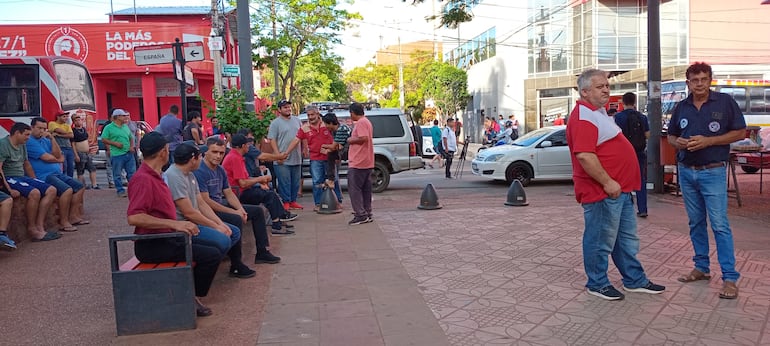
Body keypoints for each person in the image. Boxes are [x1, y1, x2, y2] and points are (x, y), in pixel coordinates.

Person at [566, 68, 664, 301]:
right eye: (600, 87)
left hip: (619, 190)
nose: (606, 90)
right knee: (600, 239)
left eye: (607, 86)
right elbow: (585, 155)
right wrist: (608, 182)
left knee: (625, 240)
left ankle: (634, 280)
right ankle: (597, 283)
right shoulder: (584, 116)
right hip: (602, 191)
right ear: (585, 91)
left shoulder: (598, 113)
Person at [667, 62, 746, 300]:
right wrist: (677, 142)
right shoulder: (682, 107)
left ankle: (730, 278)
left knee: (720, 225)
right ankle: (701, 267)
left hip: (713, 171)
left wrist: (709, 141)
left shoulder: (724, 102)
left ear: (710, 80)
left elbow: (740, 132)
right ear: (688, 81)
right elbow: (671, 135)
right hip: (687, 171)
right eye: (695, 80)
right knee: (695, 223)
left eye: (704, 79)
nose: (699, 83)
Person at [127, 131, 222, 317]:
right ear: (163, 151)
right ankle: (188, 297)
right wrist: (175, 224)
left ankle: (188, 295)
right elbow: (134, 217)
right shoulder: (143, 179)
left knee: (213, 248)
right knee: (210, 255)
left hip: (168, 238)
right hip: (153, 244)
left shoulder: (156, 175)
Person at [164, 142, 256, 279]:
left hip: (194, 221)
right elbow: (189, 212)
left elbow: (201, 203)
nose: (201, 160)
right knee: (223, 240)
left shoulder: (190, 175)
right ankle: (195, 280)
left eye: (221, 153)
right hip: (184, 226)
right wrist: (216, 226)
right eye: (200, 156)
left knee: (232, 232)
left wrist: (220, 224)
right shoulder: (174, 176)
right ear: (192, 159)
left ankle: (226, 263)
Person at [194, 137, 281, 264]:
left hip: (221, 204)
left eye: (221, 153)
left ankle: (262, 251)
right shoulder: (200, 171)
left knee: (257, 212)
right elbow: (206, 201)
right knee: (236, 218)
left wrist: (240, 209)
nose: (218, 156)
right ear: (205, 152)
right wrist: (234, 212)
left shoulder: (220, 170)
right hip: (207, 211)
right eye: (214, 152)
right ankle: (236, 264)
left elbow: (229, 193)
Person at [223, 134, 296, 234]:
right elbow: (243, 183)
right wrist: (260, 179)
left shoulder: (235, 156)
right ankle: (277, 225)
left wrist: (260, 181)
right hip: (237, 193)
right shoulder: (234, 158)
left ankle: (280, 218)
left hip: (240, 190)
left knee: (268, 192)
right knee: (269, 195)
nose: (249, 147)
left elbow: (244, 179)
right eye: (247, 145)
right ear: (243, 146)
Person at [0, 122, 60, 242]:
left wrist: (34, 180)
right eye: (26, 135)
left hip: (22, 177)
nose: (28, 137)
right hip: (10, 177)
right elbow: (0, 168)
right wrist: (8, 189)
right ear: (17, 133)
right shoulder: (3, 144)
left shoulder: (22, 144)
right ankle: (32, 228)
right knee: (34, 193)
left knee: (51, 190)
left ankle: (39, 225)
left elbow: (26, 164)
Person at [27, 117, 88, 232]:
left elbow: (57, 153)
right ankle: (63, 221)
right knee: (67, 190)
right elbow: (47, 158)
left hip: (56, 173)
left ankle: (73, 216)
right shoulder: (29, 141)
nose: (42, 131)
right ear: (32, 127)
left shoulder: (45, 139)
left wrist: (52, 139)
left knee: (79, 187)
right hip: (44, 176)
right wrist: (59, 159)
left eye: (44, 129)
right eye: (39, 128)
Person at [284, 106, 334, 211]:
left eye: (312, 114)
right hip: (315, 158)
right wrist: (286, 153)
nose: (310, 117)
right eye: (308, 115)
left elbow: (336, 136)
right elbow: (296, 140)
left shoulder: (327, 123)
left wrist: (335, 150)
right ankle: (318, 204)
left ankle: (336, 202)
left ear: (318, 114)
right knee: (317, 182)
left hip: (330, 157)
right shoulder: (304, 127)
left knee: (334, 180)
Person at [614, 92, 650, 218]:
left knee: (623, 179)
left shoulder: (618, 117)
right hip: (639, 152)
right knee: (641, 180)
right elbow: (647, 135)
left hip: (624, 153)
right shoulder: (642, 117)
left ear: (623, 102)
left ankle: (625, 207)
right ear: (634, 102)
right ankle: (643, 208)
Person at [269, 99, 303, 210]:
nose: (288, 109)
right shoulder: (275, 123)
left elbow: (302, 136)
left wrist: (305, 149)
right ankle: (286, 202)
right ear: (279, 110)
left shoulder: (297, 120)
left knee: (295, 181)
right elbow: (272, 140)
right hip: (281, 158)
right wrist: (277, 155)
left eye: (289, 107)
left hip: (296, 157)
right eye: (285, 107)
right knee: (284, 182)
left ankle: (293, 201)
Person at [347, 103, 374, 225]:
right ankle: (366, 212)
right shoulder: (366, 121)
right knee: (365, 189)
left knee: (355, 189)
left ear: (353, 112)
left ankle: (360, 214)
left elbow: (364, 138)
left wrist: (350, 140)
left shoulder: (361, 123)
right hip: (366, 161)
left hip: (359, 161)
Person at [101, 109, 136, 197]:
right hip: (117, 154)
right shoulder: (108, 127)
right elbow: (104, 139)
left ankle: (133, 191)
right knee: (117, 174)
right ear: (117, 117)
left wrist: (132, 146)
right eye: (123, 116)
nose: (125, 117)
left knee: (132, 173)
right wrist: (115, 143)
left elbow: (131, 137)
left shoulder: (125, 126)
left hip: (128, 153)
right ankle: (120, 191)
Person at [319, 112, 348, 206]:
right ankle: (331, 179)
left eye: (326, 124)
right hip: (342, 150)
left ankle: (331, 180)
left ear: (331, 123)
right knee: (330, 154)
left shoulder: (341, 129)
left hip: (349, 151)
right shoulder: (335, 131)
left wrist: (324, 146)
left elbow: (334, 146)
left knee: (330, 154)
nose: (326, 126)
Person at [72, 114, 99, 189]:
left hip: (87, 152)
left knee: (92, 168)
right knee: (80, 170)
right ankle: (82, 185)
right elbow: (73, 144)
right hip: (80, 153)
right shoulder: (73, 131)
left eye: (79, 120)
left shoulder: (84, 129)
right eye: (76, 120)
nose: (78, 122)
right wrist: (76, 155)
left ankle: (94, 185)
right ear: (73, 122)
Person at [48, 111, 75, 177]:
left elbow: (71, 136)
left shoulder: (67, 125)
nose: (66, 118)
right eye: (64, 116)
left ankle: (70, 181)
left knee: (71, 167)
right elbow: (59, 130)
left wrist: (59, 135)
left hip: (69, 148)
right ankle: (63, 181)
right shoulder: (52, 123)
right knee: (63, 166)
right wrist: (66, 133)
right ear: (58, 117)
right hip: (60, 148)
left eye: (66, 117)